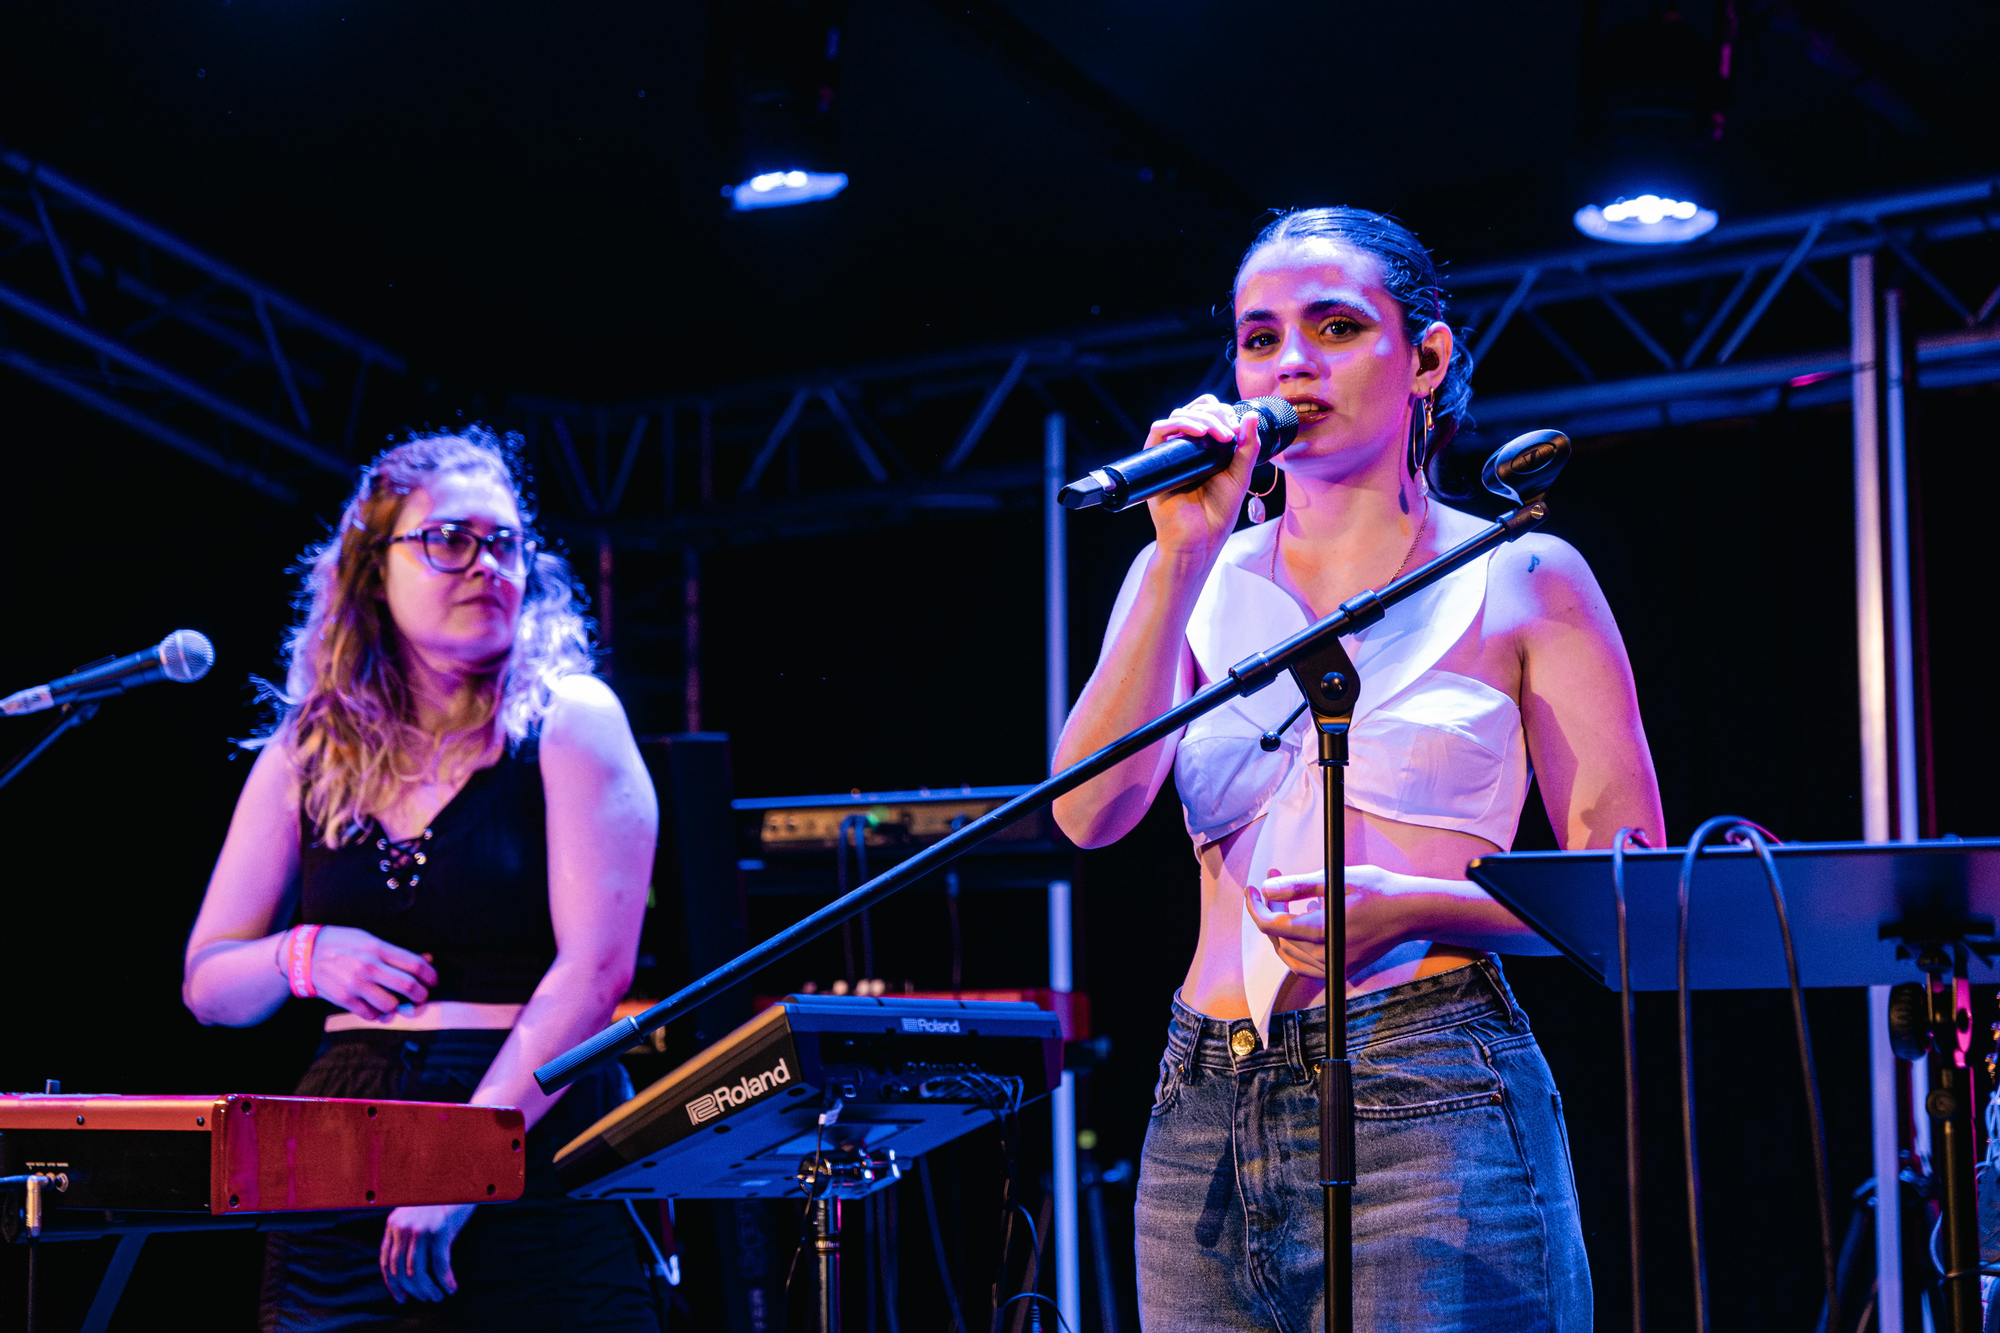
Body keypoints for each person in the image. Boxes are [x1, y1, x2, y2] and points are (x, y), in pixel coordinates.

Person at [1053, 208, 1665, 1332]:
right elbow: (1090, 813)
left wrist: (1416, 907)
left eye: (1333, 326)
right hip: (1202, 1102)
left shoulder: (1524, 572)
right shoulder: (1183, 570)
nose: (1290, 362)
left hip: (1427, 1086)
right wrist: (1181, 552)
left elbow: (1634, 902)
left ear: (1425, 356)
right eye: (1257, 337)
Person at [183, 429, 662, 1332]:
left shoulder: (572, 720)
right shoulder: (308, 753)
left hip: (529, 1125)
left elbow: (597, 973)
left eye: (507, 542)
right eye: (450, 538)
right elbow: (209, 984)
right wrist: (300, 955)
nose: (486, 563)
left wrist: (465, 1161)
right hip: (338, 1144)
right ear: (374, 569)